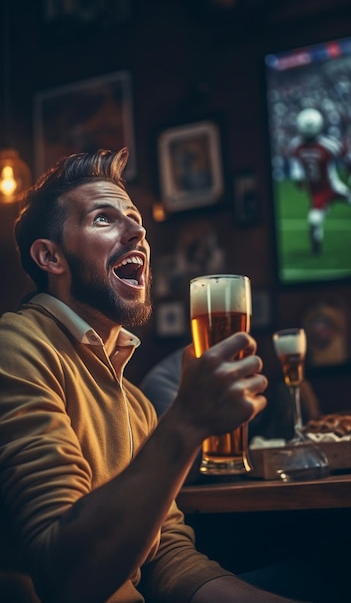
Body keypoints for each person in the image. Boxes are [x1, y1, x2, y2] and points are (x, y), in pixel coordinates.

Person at [0, 147, 320, 603]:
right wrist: (186, 423)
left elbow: (167, 558)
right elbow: (64, 578)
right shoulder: (17, 346)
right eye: (104, 219)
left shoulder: (134, 401)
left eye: (135, 220)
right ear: (51, 257)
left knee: (318, 572)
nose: (138, 231)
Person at [287, 107, 351, 254]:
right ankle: (316, 243)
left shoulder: (328, 145)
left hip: (333, 186)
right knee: (314, 220)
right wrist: (298, 178)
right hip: (317, 192)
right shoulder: (296, 146)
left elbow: (345, 157)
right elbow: (296, 165)